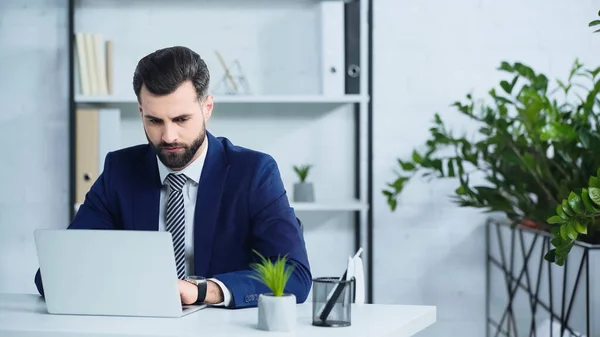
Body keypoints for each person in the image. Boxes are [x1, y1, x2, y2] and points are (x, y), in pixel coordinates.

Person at [33, 45, 312, 309]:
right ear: (141, 112)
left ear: (207, 108)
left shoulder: (254, 173)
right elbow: (54, 275)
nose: (168, 136)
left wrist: (204, 291)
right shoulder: (120, 170)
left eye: (181, 119)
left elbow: (295, 275)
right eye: (154, 121)